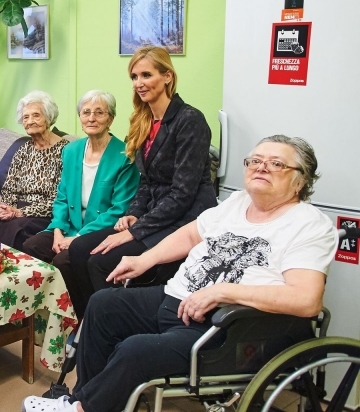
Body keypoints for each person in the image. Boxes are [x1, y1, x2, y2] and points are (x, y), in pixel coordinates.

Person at [22, 135, 338, 412]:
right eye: (255, 160)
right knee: (103, 305)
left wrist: (223, 292)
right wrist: (144, 259)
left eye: (276, 164)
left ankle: (83, 409)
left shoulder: (309, 224)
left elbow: (306, 299)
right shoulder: (238, 202)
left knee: (136, 351)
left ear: (301, 179)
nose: (261, 167)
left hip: (227, 328)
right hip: (176, 300)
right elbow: (190, 236)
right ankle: (85, 400)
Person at [67, 46, 217, 312]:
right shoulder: (143, 119)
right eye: (134, 77)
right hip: (153, 215)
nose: (139, 83)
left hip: (185, 219)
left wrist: (136, 230)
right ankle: (86, 322)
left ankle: (115, 325)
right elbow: (146, 182)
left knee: (101, 261)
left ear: (168, 76)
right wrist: (133, 214)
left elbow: (182, 193)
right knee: (79, 248)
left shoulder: (189, 120)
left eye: (146, 75)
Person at [21, 90, 139, 317]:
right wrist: (57, 230)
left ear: (111, 119)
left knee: (64, 259)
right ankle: (46, 314)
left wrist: (76, 238)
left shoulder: (125, 155)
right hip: (69, 227)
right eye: (86, 112)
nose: (91, 118)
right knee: (32, 247)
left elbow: (119, 209)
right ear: (80, 117)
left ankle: (78, 316)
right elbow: (62, 197)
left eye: (99, 113)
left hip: (98, 230)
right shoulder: (71, 150)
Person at [0, 91, 69, 251]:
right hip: (18, 207)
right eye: (26, 117)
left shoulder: (66, 151)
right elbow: (9, 187)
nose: (30, 121)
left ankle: (20, 271)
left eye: (36, 115)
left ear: (48, 117)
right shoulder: (23, 150)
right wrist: (7, 208)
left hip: (46, 212)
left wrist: (19, 212)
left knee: (17, 229)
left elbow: (61, 198)